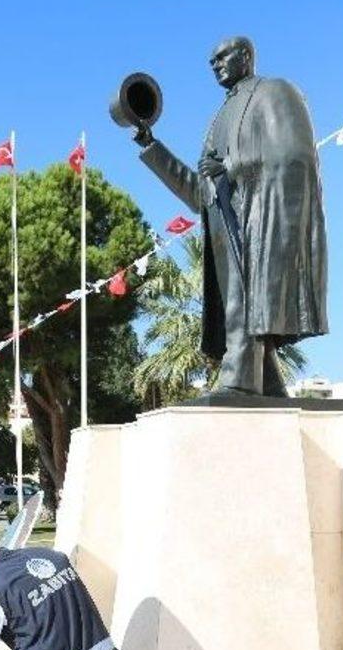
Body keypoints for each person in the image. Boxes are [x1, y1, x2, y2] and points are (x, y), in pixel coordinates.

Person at [135, 35, 327, 398]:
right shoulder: (220, 115)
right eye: (211, 62)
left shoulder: (275, 92)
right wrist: (151, 146)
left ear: (246, 56)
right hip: (221, 223)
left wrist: (233, 167)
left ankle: (239, 379)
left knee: (244, 299)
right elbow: (200, 193)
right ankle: (267, 381)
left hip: (257, 216)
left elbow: (295, 154)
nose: (215, 65)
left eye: (222, 57)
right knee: (238, 302)